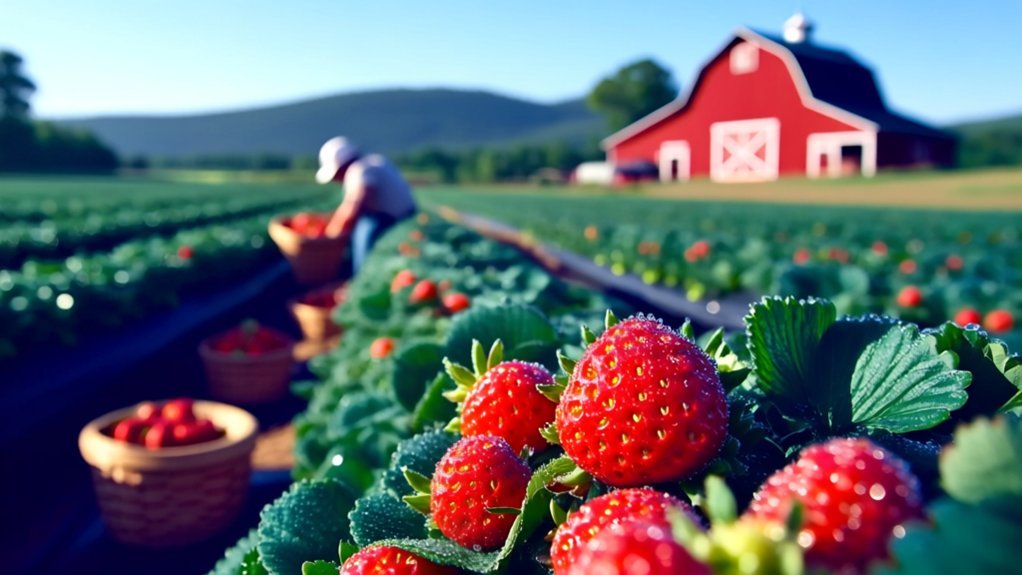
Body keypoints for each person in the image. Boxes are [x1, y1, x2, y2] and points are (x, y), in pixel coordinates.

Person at [315, 136, 417, 274]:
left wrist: (330, 235)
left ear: (341, 166)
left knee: (364, 228)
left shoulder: (360, 170)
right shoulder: (373, 161)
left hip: (393, 220)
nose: (336, 179)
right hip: (406, 215)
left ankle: (361, 274)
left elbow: (355, 206)